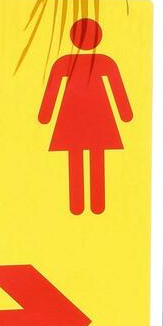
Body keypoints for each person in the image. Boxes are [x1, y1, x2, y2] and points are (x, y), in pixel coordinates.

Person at [36, 18, 134, 215]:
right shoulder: (103, 61)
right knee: (94, 156)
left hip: (75, 116)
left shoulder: (65, 62)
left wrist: (45, 115)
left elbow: (52, 92)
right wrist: (125, 114)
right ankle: (93, 204)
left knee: (77, 157)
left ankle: (79, 205)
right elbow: (117, 90)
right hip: (96, 116)